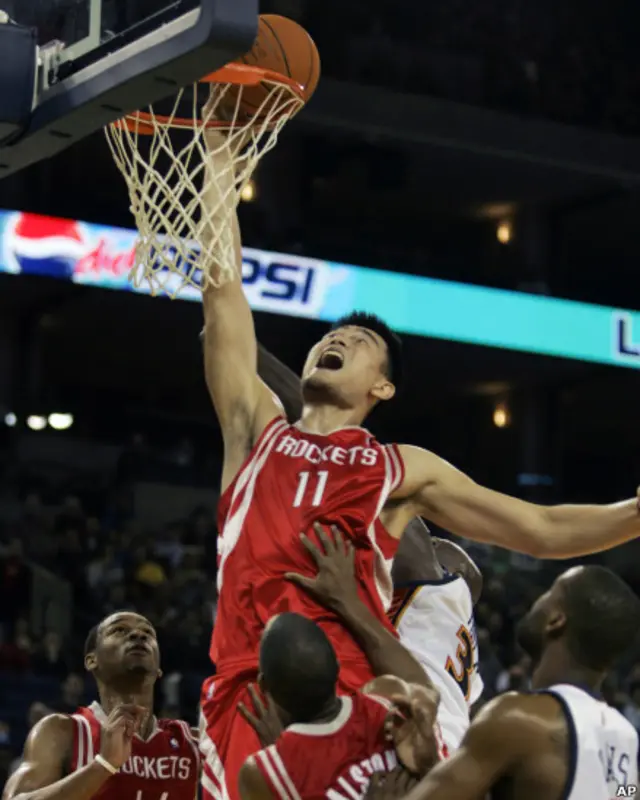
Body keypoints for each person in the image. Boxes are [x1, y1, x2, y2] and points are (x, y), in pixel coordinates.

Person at [199, 126, 640, 800]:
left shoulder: (397, 468)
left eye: (360, 340)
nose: (338, 338)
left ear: (382, 388)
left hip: (348, 703)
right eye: (331, 334)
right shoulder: (254, 430)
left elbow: (541, 529)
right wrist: (218, 161)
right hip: (242, 691)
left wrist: (633, 513)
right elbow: (223, 294)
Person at [365, 565, 640, 800]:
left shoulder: (520, 718)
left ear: (556, 621)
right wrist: (432, 764)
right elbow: (622, 793)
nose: (538, 600)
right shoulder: (626, 739)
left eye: (549, 594)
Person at [287, 519, 483, 756]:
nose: (432, 543)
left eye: (435, 546)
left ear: (457, 575)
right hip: (441, 741)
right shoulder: (464, 659)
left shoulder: (448, 592)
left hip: (428, 733)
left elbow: (405, 524)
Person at [237, 613, 440, 800]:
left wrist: (282, 753)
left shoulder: (262, 773)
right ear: (337, 665)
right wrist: (432, 767)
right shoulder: (389, 697)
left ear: (263, 685)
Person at [4, 611, 200, 800]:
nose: (138, 635)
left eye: (148, 633)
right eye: (119, 630)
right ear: (92, 660)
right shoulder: (62, 731)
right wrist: (103, 765)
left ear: (158, 668)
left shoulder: (191, 742)